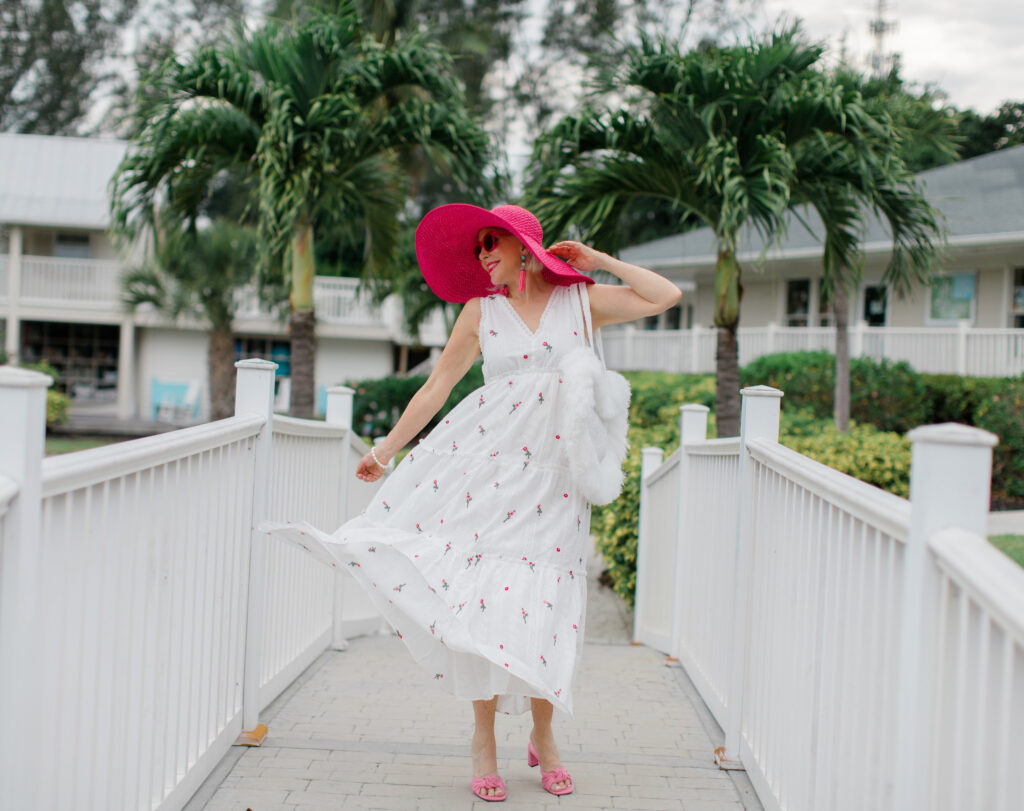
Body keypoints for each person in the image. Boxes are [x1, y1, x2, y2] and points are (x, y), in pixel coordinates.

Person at [262, 203, 681, 802]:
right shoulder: (480, 312)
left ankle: (545, 735)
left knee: (545, 605)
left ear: (525, 249)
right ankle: (482, 740)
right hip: (489, 477)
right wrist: (385, 451)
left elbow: (663, 295)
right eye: (480, 245)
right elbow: (436, 387)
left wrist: (596, 261)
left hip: (557, 483)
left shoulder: (580, 303)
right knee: (484, 608)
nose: (484, 253)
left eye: (495, 242)